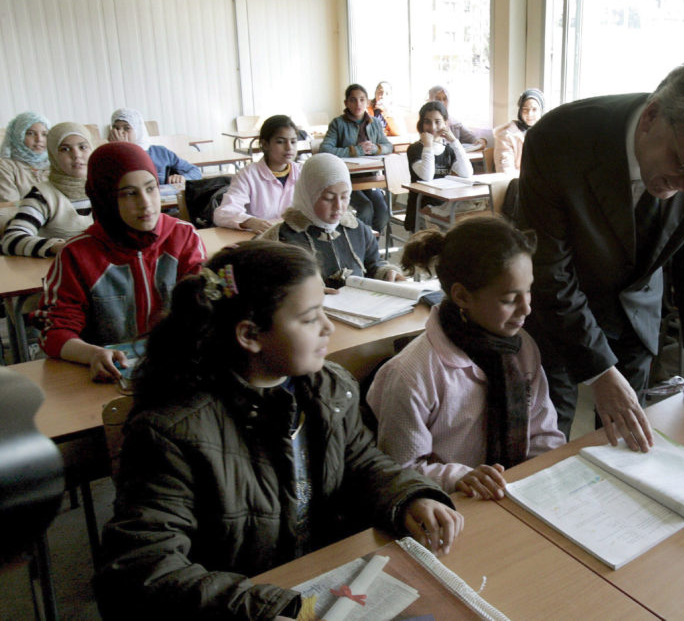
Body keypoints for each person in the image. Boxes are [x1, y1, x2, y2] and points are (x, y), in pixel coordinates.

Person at [94, 241, 463, 620]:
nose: (328, 327)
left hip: (322, 583)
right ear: (250, 335)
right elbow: (145, 568)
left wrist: (407, 496)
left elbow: (359, 461)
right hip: (244, 605)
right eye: (309, 317)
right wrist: (267, 606)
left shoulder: (327, 387)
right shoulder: (171, 431)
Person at [516, 60, 684, 450]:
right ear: (651, 117)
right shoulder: (559, 138)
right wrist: (600, 372)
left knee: (627, 447)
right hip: (558, 319)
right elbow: (549, 271)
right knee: (547, 442)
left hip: (636, 315)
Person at [367, 217, 564, 499]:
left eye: (528, 291)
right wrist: (461, 478)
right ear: (462, 296)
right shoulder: (413, 372)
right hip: (448, 506)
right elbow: (402, 470)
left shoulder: (521, 348)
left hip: (512, 496)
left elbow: (543, 433)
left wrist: (551, 474)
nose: (526, 308)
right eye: (509, 299)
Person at [35, 142, 206, 381]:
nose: (145, 203)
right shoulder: (77, 255)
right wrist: (92, 354)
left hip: (175, 372)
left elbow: (204, 306)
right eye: (128, 193)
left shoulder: (183, 236)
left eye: (150, 189)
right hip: (107, 376)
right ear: (105, 198)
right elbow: (53, 329)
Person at [260, 153, 403, 288]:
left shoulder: (357, 229)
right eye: (328, 198)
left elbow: (373, 264)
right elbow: (271, 287)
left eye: (344, 197)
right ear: (308, 195)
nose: (338, 207)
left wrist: (386, 273)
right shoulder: (283, 238)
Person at [1, 122, 93, 257]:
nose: (76, 155)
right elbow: (10, 240)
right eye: (65, 149)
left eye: (83, 147)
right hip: (60, 271)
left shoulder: (108, 190)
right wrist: (58, 247)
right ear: (53, 155)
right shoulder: (42, 195)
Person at [319, 83, 392, 234]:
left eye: (362, 99)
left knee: (382, 210)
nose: (358, 104)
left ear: (367, 102)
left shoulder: (374, 122)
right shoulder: (338, 124)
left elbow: (388, 146)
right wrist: (356, 150)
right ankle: (361, 242)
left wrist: (375, 148)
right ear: (346, 103)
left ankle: (372, 243)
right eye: (353, 100)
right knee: (365, 208)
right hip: (346, 179)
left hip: (369, 176)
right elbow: (325, 149)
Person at [213, 114, 302, 233]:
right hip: (261, 241)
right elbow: (223, 213)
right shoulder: (248, 175)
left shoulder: (303, 172)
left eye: (293, 142)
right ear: (265, 144)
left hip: (295, 237)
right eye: (280, 142)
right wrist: (249, 221)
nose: (289, 148)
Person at [404, 100, 473, 232]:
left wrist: (454, 141)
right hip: (421, 209)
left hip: (444, 208)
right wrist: (428, 145)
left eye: (438, 121)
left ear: (445, 123)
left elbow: (467, 173)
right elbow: (427, 176)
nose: (433, 127)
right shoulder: (415, 149)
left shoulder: (448, 149)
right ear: (421, 124)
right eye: (427, 122)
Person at [107, 108, 202, 184]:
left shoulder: (160, 152)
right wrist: (121, 151)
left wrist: (183, 178)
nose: (120, 132)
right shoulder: (109, 157)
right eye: (116, 128)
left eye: (127, 128)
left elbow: (195, 171)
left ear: (138, 130)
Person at [0, 112, 50, 208]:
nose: (39, 139)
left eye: (44, 134)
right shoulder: (5, 167)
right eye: (30, 133)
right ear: (17, 136)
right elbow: (9, 206)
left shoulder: (56, 163)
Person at [493, 88, 544, 174]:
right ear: (520, 111)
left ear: (541, 111)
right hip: (517, 183)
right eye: (525, 109)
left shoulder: (545, 133)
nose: (529, 114)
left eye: (534, 109)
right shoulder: (506, 136)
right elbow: (505, 171)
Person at [427, 85, 486, 151]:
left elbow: (473, 138)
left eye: (444, 99)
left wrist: (481, 140)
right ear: (430, 101)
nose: (442, 102)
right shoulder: (427, 124)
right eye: (438, 99)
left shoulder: (454, 123)